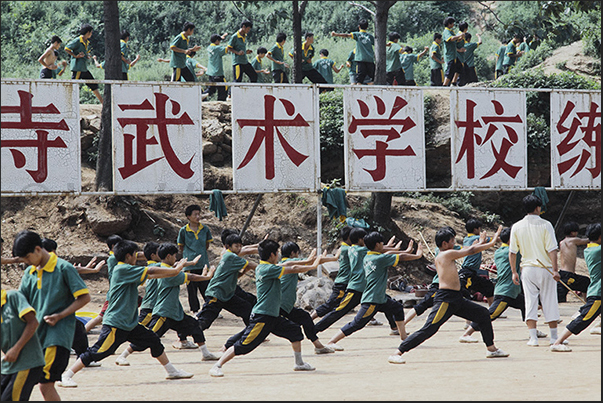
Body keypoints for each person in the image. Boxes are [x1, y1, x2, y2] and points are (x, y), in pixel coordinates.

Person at [58, 240, 194, 388]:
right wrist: (175, 270)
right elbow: (150, 271)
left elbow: (152, 275)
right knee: (98, 352)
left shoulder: (128, 270)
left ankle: (171, 371)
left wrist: (173, 271)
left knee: (153, 340)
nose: (137, 257)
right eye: (135, 254)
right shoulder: (122, 269)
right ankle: (67, 375)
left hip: (129, 323)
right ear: (128, 256)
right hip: (116, 323)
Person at [388, 225, 508, 364]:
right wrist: (492, 242)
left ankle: (491, 349)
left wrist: (481, 243)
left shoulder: (445, 254)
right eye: (452, 241)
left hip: (456, 298)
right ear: (444, 244)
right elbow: (471, 250)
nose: (454, 244)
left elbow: (469, 250)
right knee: (430, 329)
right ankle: (398, 352)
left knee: (483, 314)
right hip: (446, 299)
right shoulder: (445, 254)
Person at [208, 239, 324, 377]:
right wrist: (314, 264)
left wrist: (308, 261)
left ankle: (299, 363)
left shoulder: (265, 267)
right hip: (262, 317)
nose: (279, 256)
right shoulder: (268, 269)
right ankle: (217, 365)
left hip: (273, 315)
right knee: (244, 345)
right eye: (277, 253)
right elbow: (291, 268)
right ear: (272, 255)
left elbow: (289, 263)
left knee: (295, 332)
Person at [12, 230, 91, 400]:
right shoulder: (30, 272)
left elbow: (84, 297)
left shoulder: (64, 268)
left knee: (45, 383)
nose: (26, 262)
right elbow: (21, 302)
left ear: (38, 249)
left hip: (56, 337)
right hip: (36, 338)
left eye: (27, 258)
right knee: (36, 384)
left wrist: (60, 315)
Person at [115, 243, 219, 365]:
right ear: (169, 256)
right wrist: (205, 277)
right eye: (175, 256)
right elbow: (189, 276)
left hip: (174, 312)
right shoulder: (170, 273)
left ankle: (205, 353)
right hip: (163, 313)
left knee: (194, 326)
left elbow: (177, 266)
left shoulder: (165, 268)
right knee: (149, 336)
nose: (176, 259)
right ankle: (123, 355)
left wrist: (187, 264)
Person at [325, 232, 423, 351]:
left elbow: (389, 253)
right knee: (357, 323)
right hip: (372, 299)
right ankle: (332, 341)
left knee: (397, 308)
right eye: (382, 243)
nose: (383, 245)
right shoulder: (379, 259)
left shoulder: (368, 256)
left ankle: (403, 337)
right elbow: (399, 257)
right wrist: (417, 255)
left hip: (380, 298)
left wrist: (405, 251)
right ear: (377, 245)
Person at [314, 228, 400, 335]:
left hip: (364, 288)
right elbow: (378, 250)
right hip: (356, 288)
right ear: (359, 240)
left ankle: (394, 327)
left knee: (388, 302)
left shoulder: (351, 249)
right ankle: (315, 329)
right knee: (339, 311)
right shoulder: (362, 250)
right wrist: (392, 248)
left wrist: (387, 247)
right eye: (364, 238)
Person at [459, 227, 535, 342]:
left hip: (511, 291)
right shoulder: (513, 252)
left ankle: (532, 330)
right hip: (506, 292)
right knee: (488, 315)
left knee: (526, 305)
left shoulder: (499, 252)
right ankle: (467, 333)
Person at [40, 238, 105, 367]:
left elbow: (75, 269)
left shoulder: (38, 266)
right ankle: (83, 358)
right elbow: (83, 294)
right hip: (57, 311)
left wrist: (90, 269)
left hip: (45, 310)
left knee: (76, 328)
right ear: (52, 251)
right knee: (77, 328)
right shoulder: (57, 265)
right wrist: (94, 270)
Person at [509, 195, 561, 347]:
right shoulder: (546, 225)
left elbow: (512, 252)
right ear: (538, 208)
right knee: (549, 300)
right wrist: (556, 270)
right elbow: (552, 249)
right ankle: (553, 337)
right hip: (545, 268)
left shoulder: (517, 226)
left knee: (530, 302)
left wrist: (514, 271)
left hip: (527, 269)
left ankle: (533, 338)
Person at [279, 242, 338, 354]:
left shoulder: (282, 263)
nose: (298, 256)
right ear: (292, 253)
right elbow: (311, 261)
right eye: (297, 253)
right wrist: (333, 258)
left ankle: (318, 346)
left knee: (305, 318)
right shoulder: (291, 262)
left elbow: (312, 260)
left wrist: (322, 258)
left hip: (284, 305)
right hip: (282, 305)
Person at [550, 223, 600, 351]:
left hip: (569, 276)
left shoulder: (589, 248)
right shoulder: (597, 250)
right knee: (584, 318)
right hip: (597, 293)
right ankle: (557, 342)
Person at [196, 234, 258, 336]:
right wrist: (266, 272)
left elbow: (235, 276)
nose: (239, 249)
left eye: (240, 246)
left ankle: (252, 335)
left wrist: (244, 271)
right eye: (236, 246)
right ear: (228, 246)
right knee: (204, 321)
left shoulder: (230, 256)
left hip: (226, 295)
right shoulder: (231, 256)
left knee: (246, 309)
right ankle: (183, 336)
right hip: (216, 294)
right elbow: (251, 264)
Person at [404, 226, 460, 326]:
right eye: (452, 240)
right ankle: (403, 323)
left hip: (447, 286)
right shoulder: (447, 250)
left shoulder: (440, 249)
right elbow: (466, 249)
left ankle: (469, 324)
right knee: (422, 305)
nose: (453, 242)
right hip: (439, 285)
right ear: (445, 243)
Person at [1, 288, 45, 402]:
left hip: (27, 362)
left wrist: (16, 349)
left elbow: (33, 322)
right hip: (7, 366)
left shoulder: (12, 297)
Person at [177, 204, 213, 315]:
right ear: (188, 216)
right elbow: (181, 246)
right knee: (191, 289)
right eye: (195, 214)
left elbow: (207, 245)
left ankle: (210, 308)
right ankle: (195, 310)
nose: (198, 217)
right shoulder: (183, 231)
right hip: (189, 265)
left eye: (199, 214)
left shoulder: (205, 229)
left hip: (203, 264)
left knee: (206, 288)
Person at [84, 234, 124, 333]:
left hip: (120, 292)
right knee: (101, 316)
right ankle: (84, 330)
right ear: (114, 246)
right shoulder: (113, 258)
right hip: (115, 293)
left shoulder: (115, 257)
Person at [311, 226, 352, 320]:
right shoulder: (348, 249)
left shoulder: (343, 248)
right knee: (330, 305)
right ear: (349, 237)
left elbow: (335, 258)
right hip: (343, 282)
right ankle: (310, 317)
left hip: (346, 281)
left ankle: (372, 318)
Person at [458, 218, 495, 306]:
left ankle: (493, 311)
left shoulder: (466, 238)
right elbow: (494, 240)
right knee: (465, 293)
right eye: (479, 229)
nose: (480, 231)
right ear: (475, 229)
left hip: (472, 272)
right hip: (468, 272)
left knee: (488, 287)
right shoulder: (477, 238)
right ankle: (468, 317)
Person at [64, 23, 103, 104]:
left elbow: (87, 52)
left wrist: (88, 56)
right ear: (88, 32)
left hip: (84, 68)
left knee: (93, 84)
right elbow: (67, 48)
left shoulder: (87, 42)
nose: (91, 34)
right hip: (78, 68)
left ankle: (103, 103)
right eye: (91, 33)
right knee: (73, 87)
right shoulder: (78, 40)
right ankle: (68, 104)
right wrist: (75, 55)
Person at [331, 18, 375, 85]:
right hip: (370, 60)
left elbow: (346, 35)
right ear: (367, 27)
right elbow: (378, 43)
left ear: (359, 27)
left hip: (361, 60)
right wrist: (386, 44)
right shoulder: (370, 36)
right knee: (371, 79)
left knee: (359, 80)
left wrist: (336, 34)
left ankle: (358, 93)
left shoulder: (357, 34)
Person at [557, 221, 591, 302]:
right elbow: (587, 240)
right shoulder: (573, 240)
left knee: (560, 296)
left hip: (562, 273)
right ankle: (587, 303)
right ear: (572, 232)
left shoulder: (562, 242)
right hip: (569, 275)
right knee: (586, 282)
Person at [441, 17, 465, 86]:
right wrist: (459, 35)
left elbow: (455, 40)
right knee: (450, 71)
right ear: (449, 24)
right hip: (450, 55)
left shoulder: (451, 31)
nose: (453, 25)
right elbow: (451, 39)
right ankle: (444, 85)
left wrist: (460, 38)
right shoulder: (446, 31)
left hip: (454, 55)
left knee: (459, 68)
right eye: (452, 23)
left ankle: (454, 83)